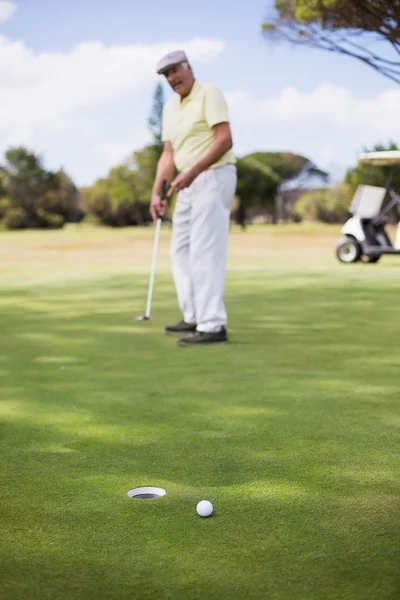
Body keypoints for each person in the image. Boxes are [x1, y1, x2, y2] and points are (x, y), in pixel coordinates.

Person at [150, 50, 237, 347]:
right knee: (181, 251)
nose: (173, 78)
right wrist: (156, 193)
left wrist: (193, 172)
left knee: (205, 251)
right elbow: (168, 155)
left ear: (188, 67)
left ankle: (213, 325)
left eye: (176, 71)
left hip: (213, 176)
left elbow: (224, 140)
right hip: (185, 183)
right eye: (167, 75)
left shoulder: (208, 93)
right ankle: (194, 315)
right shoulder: (169, 109)